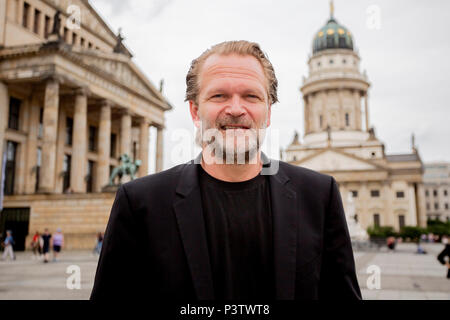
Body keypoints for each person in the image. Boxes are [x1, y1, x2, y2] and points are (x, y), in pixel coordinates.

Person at [91, 40, 361, 301]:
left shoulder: (319, 196)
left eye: (251, 96)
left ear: (268, 112)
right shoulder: (140, 203)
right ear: (195, 111)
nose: (235, 109)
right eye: (219, 95)